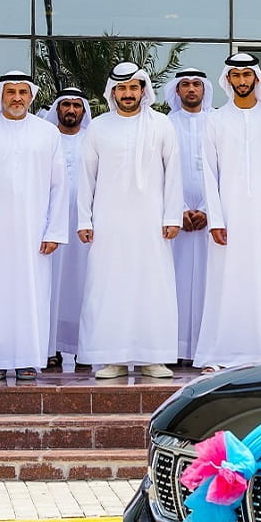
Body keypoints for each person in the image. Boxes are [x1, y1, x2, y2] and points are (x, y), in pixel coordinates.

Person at [0, 72, 68, 381]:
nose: (17, 98)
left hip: (35, 233)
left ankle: (29, 358)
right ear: (0, 96)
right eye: (10, 92)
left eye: (22, 92)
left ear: (31, 96)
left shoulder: (47, 133)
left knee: (32, 294)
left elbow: (59, 185)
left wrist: (54, 230)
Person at [77, 62, 183, 380]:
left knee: (154, 286)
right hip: (109, 222)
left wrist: (172, 215)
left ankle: (154, 357)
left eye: (133, 88)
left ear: (142, 90)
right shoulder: (98, 126)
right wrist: (85, 219)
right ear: (113, 92)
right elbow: (86, 177)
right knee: (109, 286)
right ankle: (113, 358)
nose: (127, 94)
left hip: (152, 222)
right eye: (121, 89)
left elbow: (174, 173)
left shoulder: (162, 124)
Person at [194, 53, 261, 372]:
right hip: (227, 217)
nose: (241, 81)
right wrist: (216, 219)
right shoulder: (215, 120)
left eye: (246, 75)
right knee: (224, 283)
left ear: (256, 78)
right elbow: (208, 172)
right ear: (228, 79)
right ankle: (219, 355)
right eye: (235, 75)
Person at [163, 68, 215, 364]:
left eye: (197, 84)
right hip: (175, 217)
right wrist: (178, 209)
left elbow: (224, 170)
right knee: (175, 281)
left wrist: (208, 210)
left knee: (210, 283)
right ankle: (176, 347)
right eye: (185, 85)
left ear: (205, 89)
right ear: (177, 91)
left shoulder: (217, 123)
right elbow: (159, 170)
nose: (192, 89)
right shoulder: (166, 124)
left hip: (211, 217)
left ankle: (204, 349)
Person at [47, 88, 92, 370]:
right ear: (58, 109)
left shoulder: (92, 139)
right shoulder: (47, 139)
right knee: (52, 286)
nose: (71, 110)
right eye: (66, 105)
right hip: (53, 224)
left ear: (84, 111)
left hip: (86, 227)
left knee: (84, 286)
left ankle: (84, 348)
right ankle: (49, 347)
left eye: (76, 105)